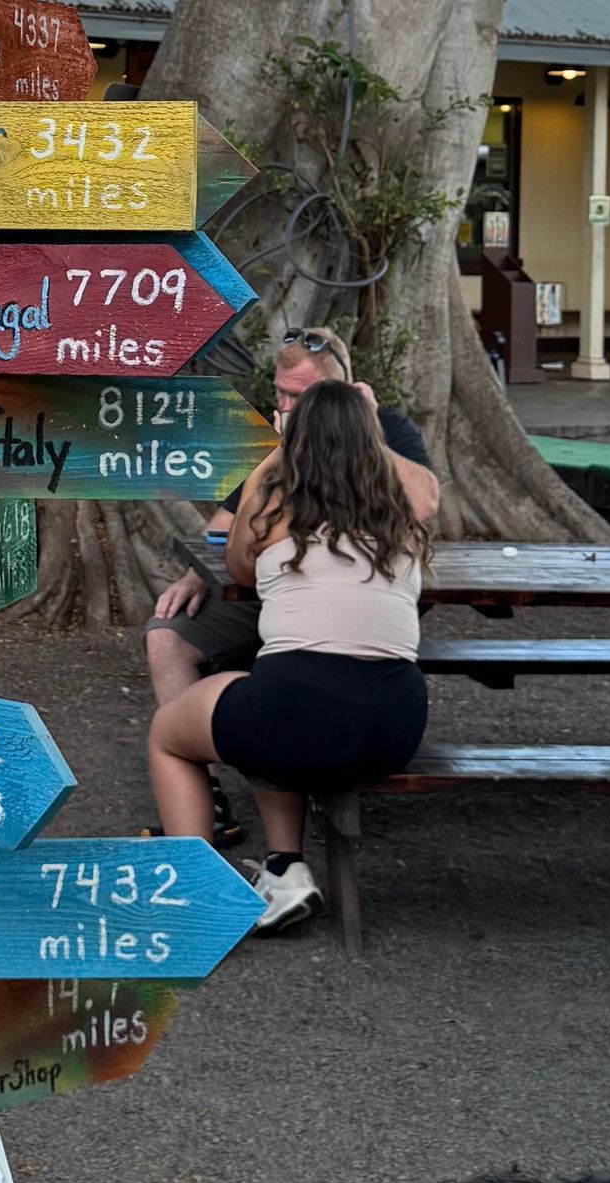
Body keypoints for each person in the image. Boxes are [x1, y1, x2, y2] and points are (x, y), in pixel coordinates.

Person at [148, 380, 439, 934]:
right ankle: (285, 869)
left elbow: (236, 568)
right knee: (259, 697)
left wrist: (277, 452)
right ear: (370, 437)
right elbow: (427, 492)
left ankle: (194, 890)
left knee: (172, 731)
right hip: (396, 723)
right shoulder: (401, 512)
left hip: (295, 708)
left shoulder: (276, 505)